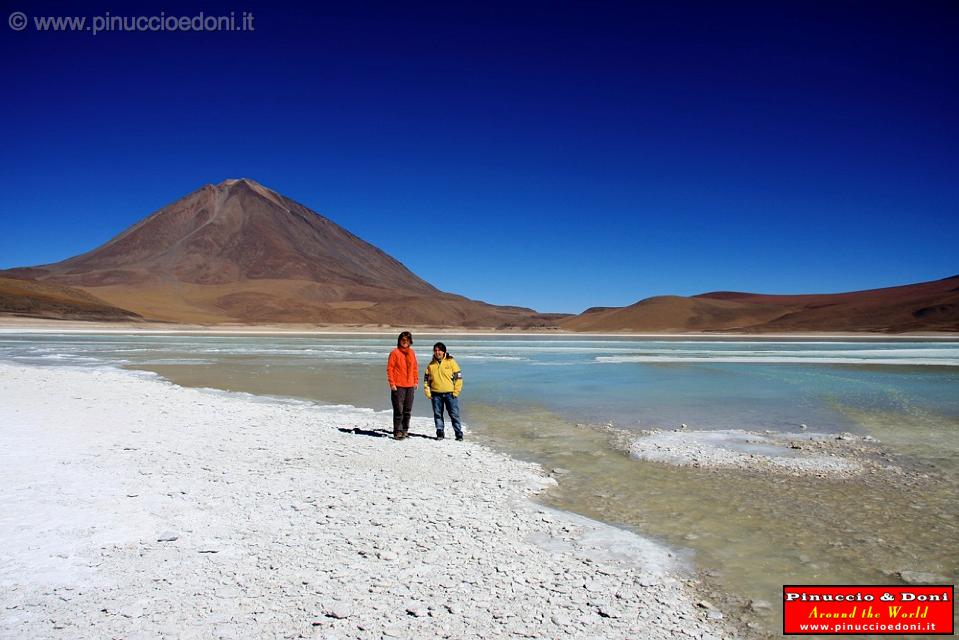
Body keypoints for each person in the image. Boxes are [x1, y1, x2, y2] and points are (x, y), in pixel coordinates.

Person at [423, 341, 463, 441]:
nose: (437, 352)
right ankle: (440, 432)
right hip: (436, 394)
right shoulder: (431, 365)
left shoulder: (451, 362)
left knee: (454, 414)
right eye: (435, 350)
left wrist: (456, 391)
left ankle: (458, 434)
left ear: (444, 351)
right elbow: (426, 380)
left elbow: (458, 377)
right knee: (437, 414)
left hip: (450, 394)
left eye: (439, 350)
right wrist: (428, 392)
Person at [386, 331, 418, 440]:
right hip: (398, 385)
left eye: (408, 340)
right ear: (399, 341)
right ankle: (397, 431)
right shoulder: (395, 353)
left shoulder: (412, 353)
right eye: (403, 340)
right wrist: (392, 384)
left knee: (407, 410)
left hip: (410, 385)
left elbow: (414, 368)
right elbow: (390, 369)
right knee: (398, 410)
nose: (405, 342)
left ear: (410, 342)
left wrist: (416, 381)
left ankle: (405, 430)